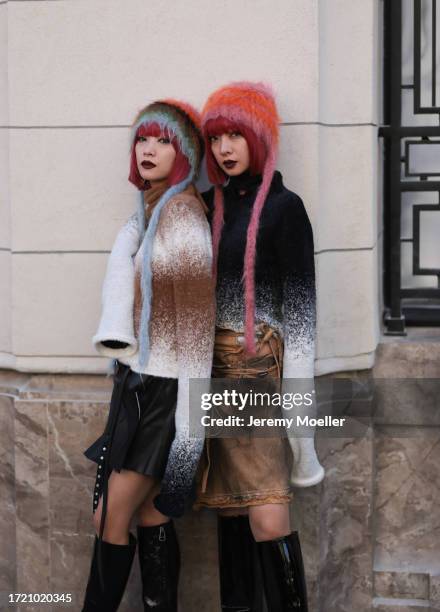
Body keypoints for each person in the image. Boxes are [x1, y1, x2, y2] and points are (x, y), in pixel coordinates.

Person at [194, 82, 325, 611]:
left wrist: (302, 419)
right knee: (229, 514)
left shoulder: (285, 209)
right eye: (216, 137)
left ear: (259, 137)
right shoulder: (204, 207)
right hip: (205, 374)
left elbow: (302, 321)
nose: (225, 148)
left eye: (236, 135)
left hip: (258, 378)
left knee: (267, 517)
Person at [81, 99, 215, 611]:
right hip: (143, 386)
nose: (149, 150)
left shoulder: (181, 217)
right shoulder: (152, 215)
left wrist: (188, 432)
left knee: (108, 520)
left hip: (164, 394)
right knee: (152, 516)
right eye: (142, 139)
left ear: (184, 156)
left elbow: (198, 332)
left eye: (163, 141)